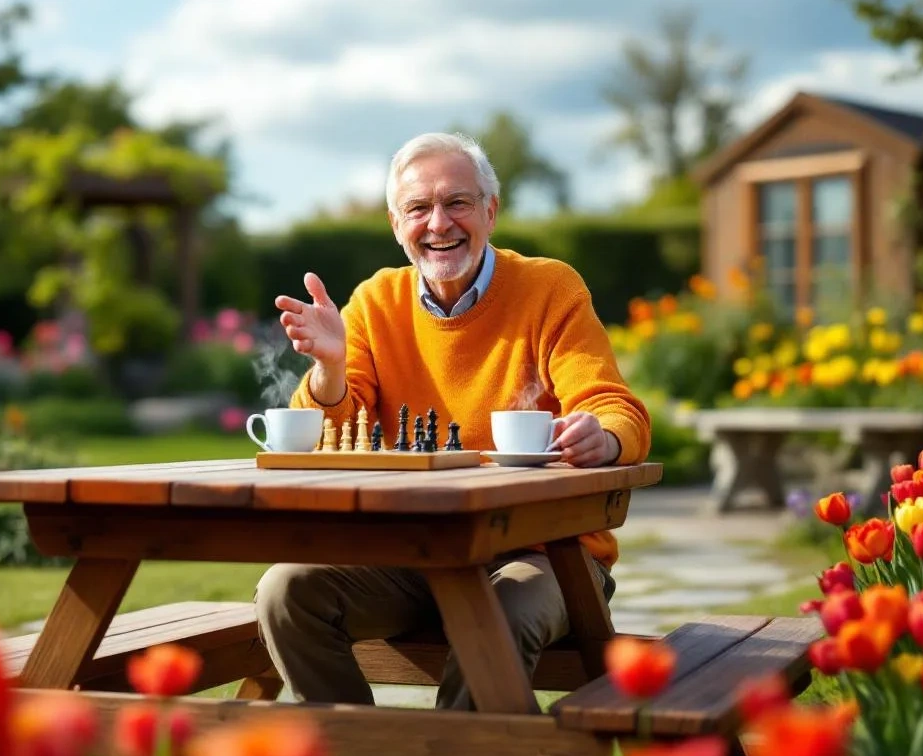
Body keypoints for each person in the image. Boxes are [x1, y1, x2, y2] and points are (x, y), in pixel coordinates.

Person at [253, 131, 652, 711]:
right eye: (419, 208)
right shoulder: (374, 302)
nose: (438, 223)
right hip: (414, 551)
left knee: (493, 613)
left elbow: (616, 407)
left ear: (490, 211)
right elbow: (325, 430)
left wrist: (605, 437)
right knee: (285, 591)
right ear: (396, 224)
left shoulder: (550, 288)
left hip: (545, 554)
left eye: (457, 203)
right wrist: (331, 367)